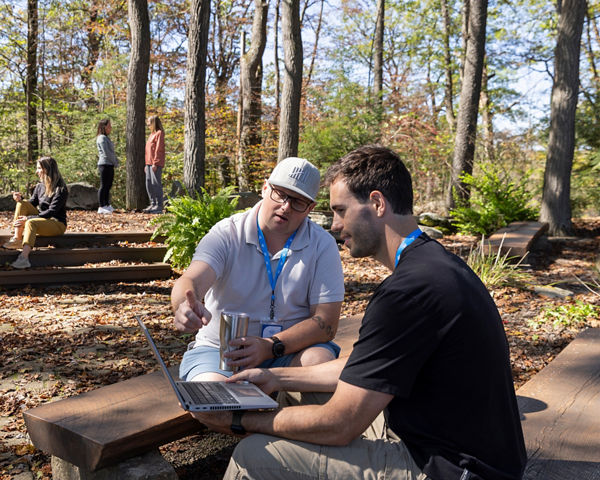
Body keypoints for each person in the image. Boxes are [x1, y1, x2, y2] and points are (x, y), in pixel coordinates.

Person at [191, 145, 527, 480]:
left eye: (340, 210)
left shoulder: (407, 292)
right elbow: (362, 369)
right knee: (304, 393)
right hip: (463, 447)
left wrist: (237, 420)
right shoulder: (435, 266)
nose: (335, 225)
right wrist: (276, 377)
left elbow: (341, 424)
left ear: (378, 204)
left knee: (253, 456)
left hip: (451, 467)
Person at [171, 157, 344, 382]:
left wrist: (270, 346)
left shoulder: (322, 245)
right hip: (221, 352)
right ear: (265, 188)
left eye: (298, 202)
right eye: (280, 194)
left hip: (289, 351)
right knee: (212, 392)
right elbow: (191, 280)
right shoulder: (227, 233)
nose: (286, 207)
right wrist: (183, 306)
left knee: (318, 360)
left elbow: (327, 322)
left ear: (310, 208)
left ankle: (286, 412)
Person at [3, 156, 68, 269]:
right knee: (21, 203)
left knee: (31, 222)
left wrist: (28, 219)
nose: (36, 171)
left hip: (56, 224)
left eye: (39, 168)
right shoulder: (39, 186)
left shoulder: (61, 189)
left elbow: (51, 211)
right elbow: (32, 203)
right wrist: (20, 199)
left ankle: (24, 258)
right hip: (43, 219)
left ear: (47, 169)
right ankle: (17, 238)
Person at [144, 115, 165, 214]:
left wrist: (155, 163)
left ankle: (159, 205)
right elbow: (148, 150)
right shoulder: (151, 134)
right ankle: (152, 203)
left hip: (155, 163)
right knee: (148, 184)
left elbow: (159, 149)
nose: (148, 125)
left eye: (149, 123)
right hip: (148, 163)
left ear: (154, 123)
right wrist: (146, 164)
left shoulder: (159, 133)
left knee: (155, 183)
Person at [96, 118, 118, 214]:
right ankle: (101, 206)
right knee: (104, 185)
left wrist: (114, 161)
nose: (111, 128)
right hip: (104, 164)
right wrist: (115, 162)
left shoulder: (106, 138)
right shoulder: (102, 138)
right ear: (104, 127)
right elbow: (107, 153)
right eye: (109, 126)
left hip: (109, 164)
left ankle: (107, 204)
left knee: (108, 185)